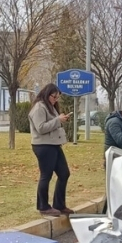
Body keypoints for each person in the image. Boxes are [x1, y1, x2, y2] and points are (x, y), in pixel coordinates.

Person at [29, 84, 73, 217]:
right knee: (46, 175)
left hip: (54, 144)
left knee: (64, 173)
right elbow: (41, 128)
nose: (56, 100)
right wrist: (58, 120)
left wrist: (60, 120)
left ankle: (59, 204)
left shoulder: (49, 106)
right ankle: (43, 206)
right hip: (43, 146)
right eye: (54, 97)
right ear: (47, 94)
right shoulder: (39, 107)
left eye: (58, 97)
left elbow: (52, 123)